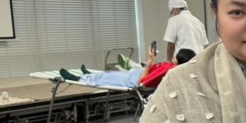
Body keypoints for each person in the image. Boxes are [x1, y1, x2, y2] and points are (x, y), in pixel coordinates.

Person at [59, 46, 194, 89]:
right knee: (108, 74)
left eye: (176, 56)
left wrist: (149, 61)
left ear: (178, 61)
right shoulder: (171, 68)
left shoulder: (168, 71)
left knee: (107, 77)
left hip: (134, 80)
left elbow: (142, 81)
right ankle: (87, 74)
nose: (173, 56)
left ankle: (78, 78)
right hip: (137, 73)